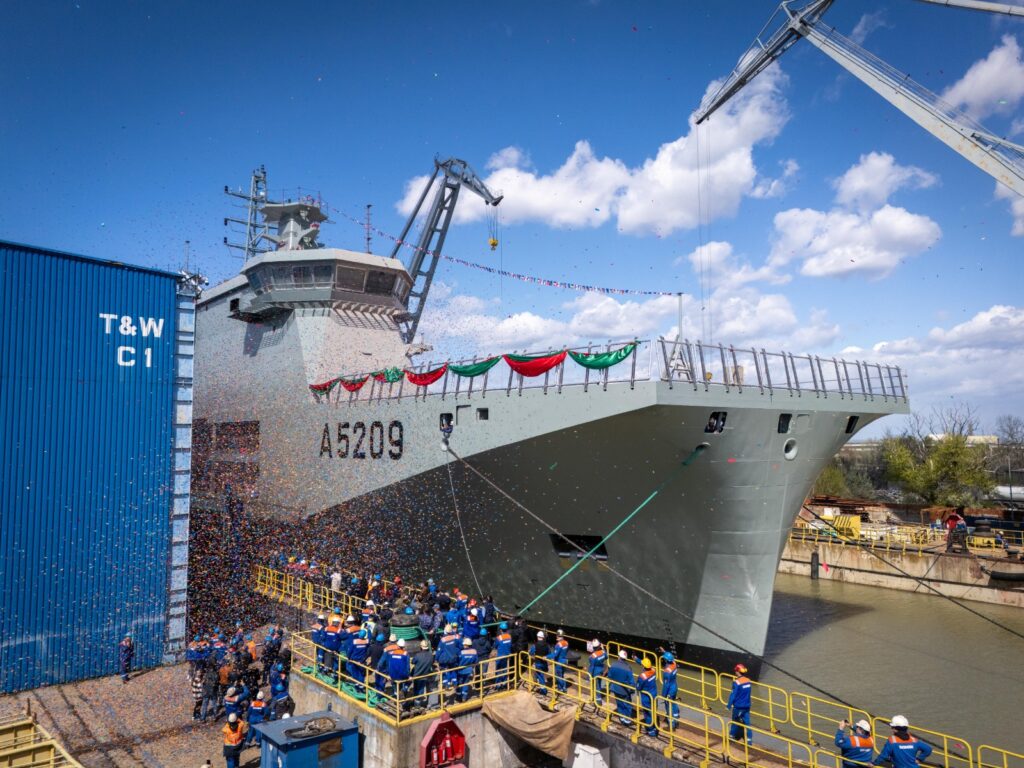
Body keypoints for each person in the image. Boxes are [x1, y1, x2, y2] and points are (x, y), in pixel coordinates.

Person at [607, 650, 635, 726]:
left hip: (615, 688)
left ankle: (622, 719)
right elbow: (632, 682)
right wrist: (632, 690)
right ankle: (627, 721)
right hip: (625, 690)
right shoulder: (628, 668)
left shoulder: (613, 664)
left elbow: (609, 676)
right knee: (627, 705)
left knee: (619, 703)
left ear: (619, 657)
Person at [728, 663, 753, 746]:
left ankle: (731, 737)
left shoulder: (737, 682)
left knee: (735, 721)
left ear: (737, 672)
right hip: (747, 706)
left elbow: (733, 695)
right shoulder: (748, 681)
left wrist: (728, 705)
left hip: (738, 706)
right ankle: (749, 741)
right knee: (747, 723)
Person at [636, 658, 658, 736]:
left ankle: (651, 731)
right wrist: (636, 659)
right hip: (654, 695)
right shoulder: (654, 670)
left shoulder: (642, 676)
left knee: (647, 714)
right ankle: (655, 727)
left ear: (644, 666)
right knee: (654, 712)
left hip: (646, 697)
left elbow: (638, 687)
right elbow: (645, 665)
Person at [411, 639, 436, 708]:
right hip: (425, 676)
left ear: (421, 647)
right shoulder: (431, 655)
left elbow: (413, 662)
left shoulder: (418, 655)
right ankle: (418, 703)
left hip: (417, 676)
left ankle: (417, 704)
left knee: (416, 690)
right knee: (421, 690)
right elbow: (432, 663)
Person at [436, 625, 461, 690]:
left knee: (445, 671)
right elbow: (459, 646)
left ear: (445, 631)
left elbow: (439, 650)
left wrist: (436, 659)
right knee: (453, 669)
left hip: (445, 659)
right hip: (454, 658)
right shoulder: (455, 637)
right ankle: (455, 683)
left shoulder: (443, 640)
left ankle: (446, 684)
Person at [660, 652, 679, 730]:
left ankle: (671, 725)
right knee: (673, 703)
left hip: (669, 690)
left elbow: (666, 685)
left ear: (666, 660)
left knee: (669, 707)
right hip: (674, 687)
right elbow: (671, 658)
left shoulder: (667, 671)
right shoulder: (674, 664)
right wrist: (664, 651)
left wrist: (663, 695)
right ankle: (676, 719)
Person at [348, 629, 370, 693]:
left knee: (355, 673)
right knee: (361, 674)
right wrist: (368, 631)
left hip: (354, 660)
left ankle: (357, 686)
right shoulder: (366, 641)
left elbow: (350, 651)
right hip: (362, 661)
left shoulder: (355, 641)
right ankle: (361, 687)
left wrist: (349, 658)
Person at [530, 631, 551, 696]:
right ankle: (536, 679)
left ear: (537, 637)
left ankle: (543, 691)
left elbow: (531, 653)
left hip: (538, 663)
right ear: (543, 637)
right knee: (540, 674)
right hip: (544, 663)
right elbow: (549, 653)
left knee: (540, 677)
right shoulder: (547, 645)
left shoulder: (535, 645)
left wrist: (532, 654)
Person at [588, 640, 608, 706]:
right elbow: (606, 656)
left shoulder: (593, 656)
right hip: (601, 670)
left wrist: (589, 676)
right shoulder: (603, 652)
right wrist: (603, 648)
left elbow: (592, 667)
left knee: (596, 686)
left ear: (593, 647)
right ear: (599, 646)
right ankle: (597, 699)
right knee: (598, 684)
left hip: (595, 672)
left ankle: (598, 701)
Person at [494, 623, 513, 690]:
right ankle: (505, 684)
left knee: (499, 670)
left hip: (500, 656)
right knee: (505, 670)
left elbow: (495, 646)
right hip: (507, 655)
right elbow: (510, 645)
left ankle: (498, 685)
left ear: (501, 630)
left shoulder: (499, 638)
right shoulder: (509, 636)